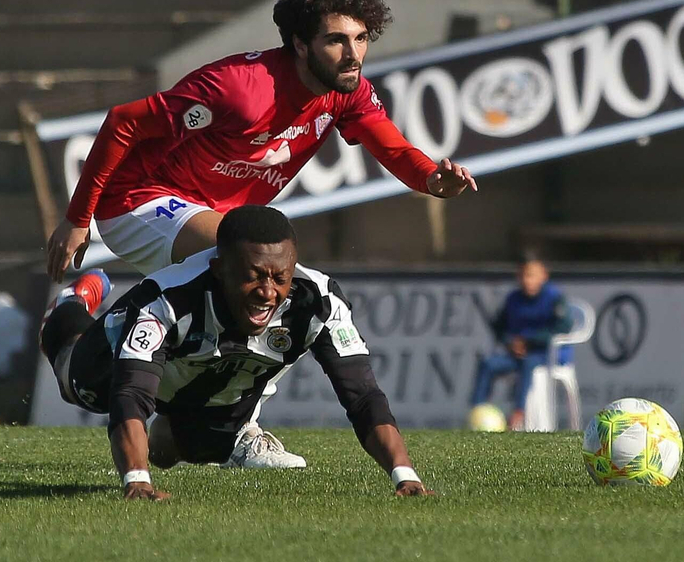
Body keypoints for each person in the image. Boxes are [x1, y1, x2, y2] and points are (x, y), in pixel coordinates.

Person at [44, 0, 476, 284]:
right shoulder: (240, 90)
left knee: (269, 291)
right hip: (136, 202)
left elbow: (394, 150)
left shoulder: (348, 92)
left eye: (361, 38)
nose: (353, 54)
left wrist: (430, 179)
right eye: (336, 40)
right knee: (258, 263)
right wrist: (77, 219)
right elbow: (124, 122)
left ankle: (88, 321)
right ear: (301, 45)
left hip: (216, 219)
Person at [39, 205, 432, 500]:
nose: (268, 292)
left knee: (179, 451)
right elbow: (131, 395)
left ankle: (173, 427)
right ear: (219, 268)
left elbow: (362, 396)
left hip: (211, 386)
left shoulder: (320, 303)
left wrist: (404, 475)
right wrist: (136, 481)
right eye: (253, 276)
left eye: (280, 277)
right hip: (121, 361)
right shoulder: (165, 301)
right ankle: (71, 303)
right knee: (78, 387)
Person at [469, 259, 573, 431]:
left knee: (528, 364)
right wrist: (510, 343)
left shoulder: (554, 298)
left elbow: (563, 326)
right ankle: (477, 410)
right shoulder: (514, 299)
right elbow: (499, 326)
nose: (527, 281)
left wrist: (530, 341)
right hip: (517, 353)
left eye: (532, 276)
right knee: (488, 363)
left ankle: (518, 413)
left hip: (545, 354)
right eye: (524, 276)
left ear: (543, 277)